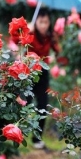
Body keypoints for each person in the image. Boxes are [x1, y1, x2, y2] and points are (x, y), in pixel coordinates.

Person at [27, 8, 60, 150]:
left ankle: (37, 138)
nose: (44, 25)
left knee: (42, 105)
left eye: (46, 22)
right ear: (36, 22)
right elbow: (16, 40)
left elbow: (58, 51)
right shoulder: (30, 34)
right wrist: (25, 31)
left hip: (43, 73)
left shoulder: (49, 36)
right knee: (24, 103)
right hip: (28, 72)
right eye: (41, 22)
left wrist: (56, 44)